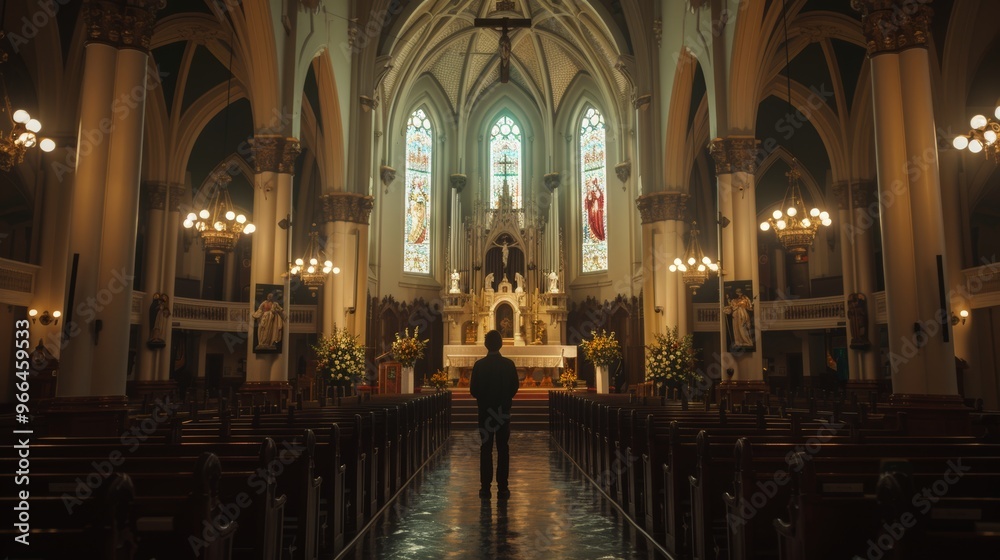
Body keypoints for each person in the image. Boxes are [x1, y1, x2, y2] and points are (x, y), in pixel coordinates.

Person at [470, 329, 519, 500]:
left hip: (485, 413)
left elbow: (473, 390)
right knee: (503, 448)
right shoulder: (508, 364)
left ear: (485, 345)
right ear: (501, 344)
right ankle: (503, 488)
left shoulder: (479, 365)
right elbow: (515, 387)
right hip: (502, 412)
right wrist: (504, 400)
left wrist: (484, 400)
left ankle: (484, 488)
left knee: (486, 449)